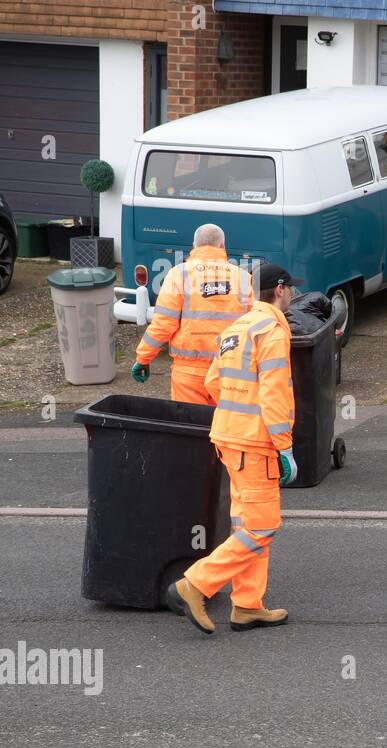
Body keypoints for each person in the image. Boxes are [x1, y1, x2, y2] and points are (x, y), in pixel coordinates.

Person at [165, 264, 300, 634]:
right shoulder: (271, 331)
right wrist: (284, 445)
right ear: (281, 290)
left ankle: (247, 605)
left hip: (229, 438)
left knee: (246, 523)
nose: (292, 297)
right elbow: (274, 392)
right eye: (291, 291)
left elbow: (212, 381)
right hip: (255, 442)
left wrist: (237, 412)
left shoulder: (236, 328)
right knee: (262, 528)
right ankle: (194, 585)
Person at [131, 223, 255, 404]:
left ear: (194, 245)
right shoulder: (243, 278)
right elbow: (253, 324)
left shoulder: (179, 275)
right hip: (230, 370)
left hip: (189, 373)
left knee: (189, 427)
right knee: (225, 426)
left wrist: (143, 358)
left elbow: (163, 324)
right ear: (222, 246)